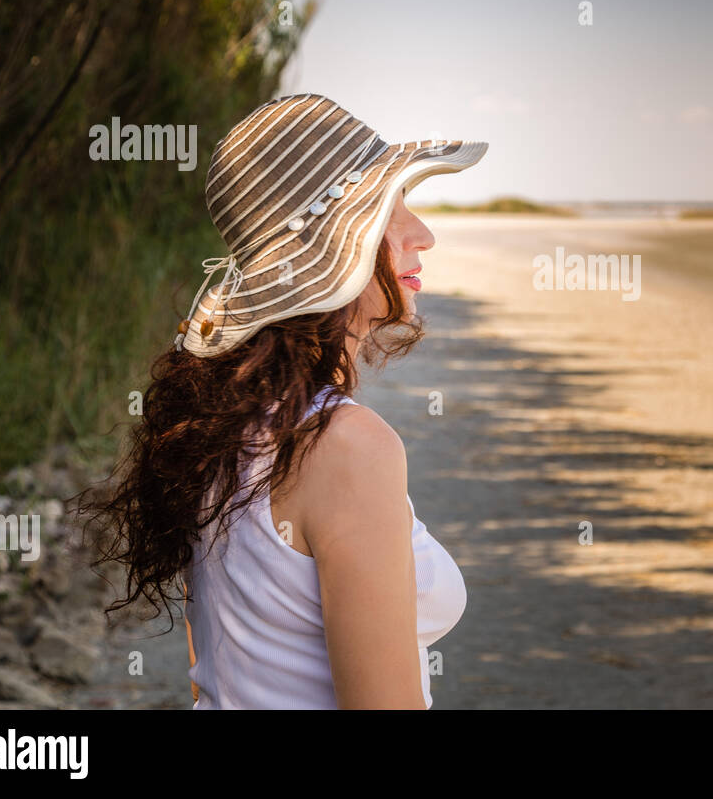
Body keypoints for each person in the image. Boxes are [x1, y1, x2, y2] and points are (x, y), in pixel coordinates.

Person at [86, 93, 487, 708]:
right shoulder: (346, 446)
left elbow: (217, 670)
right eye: (389, 210)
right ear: (334, 245)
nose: (421, 235)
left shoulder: (217, 422)